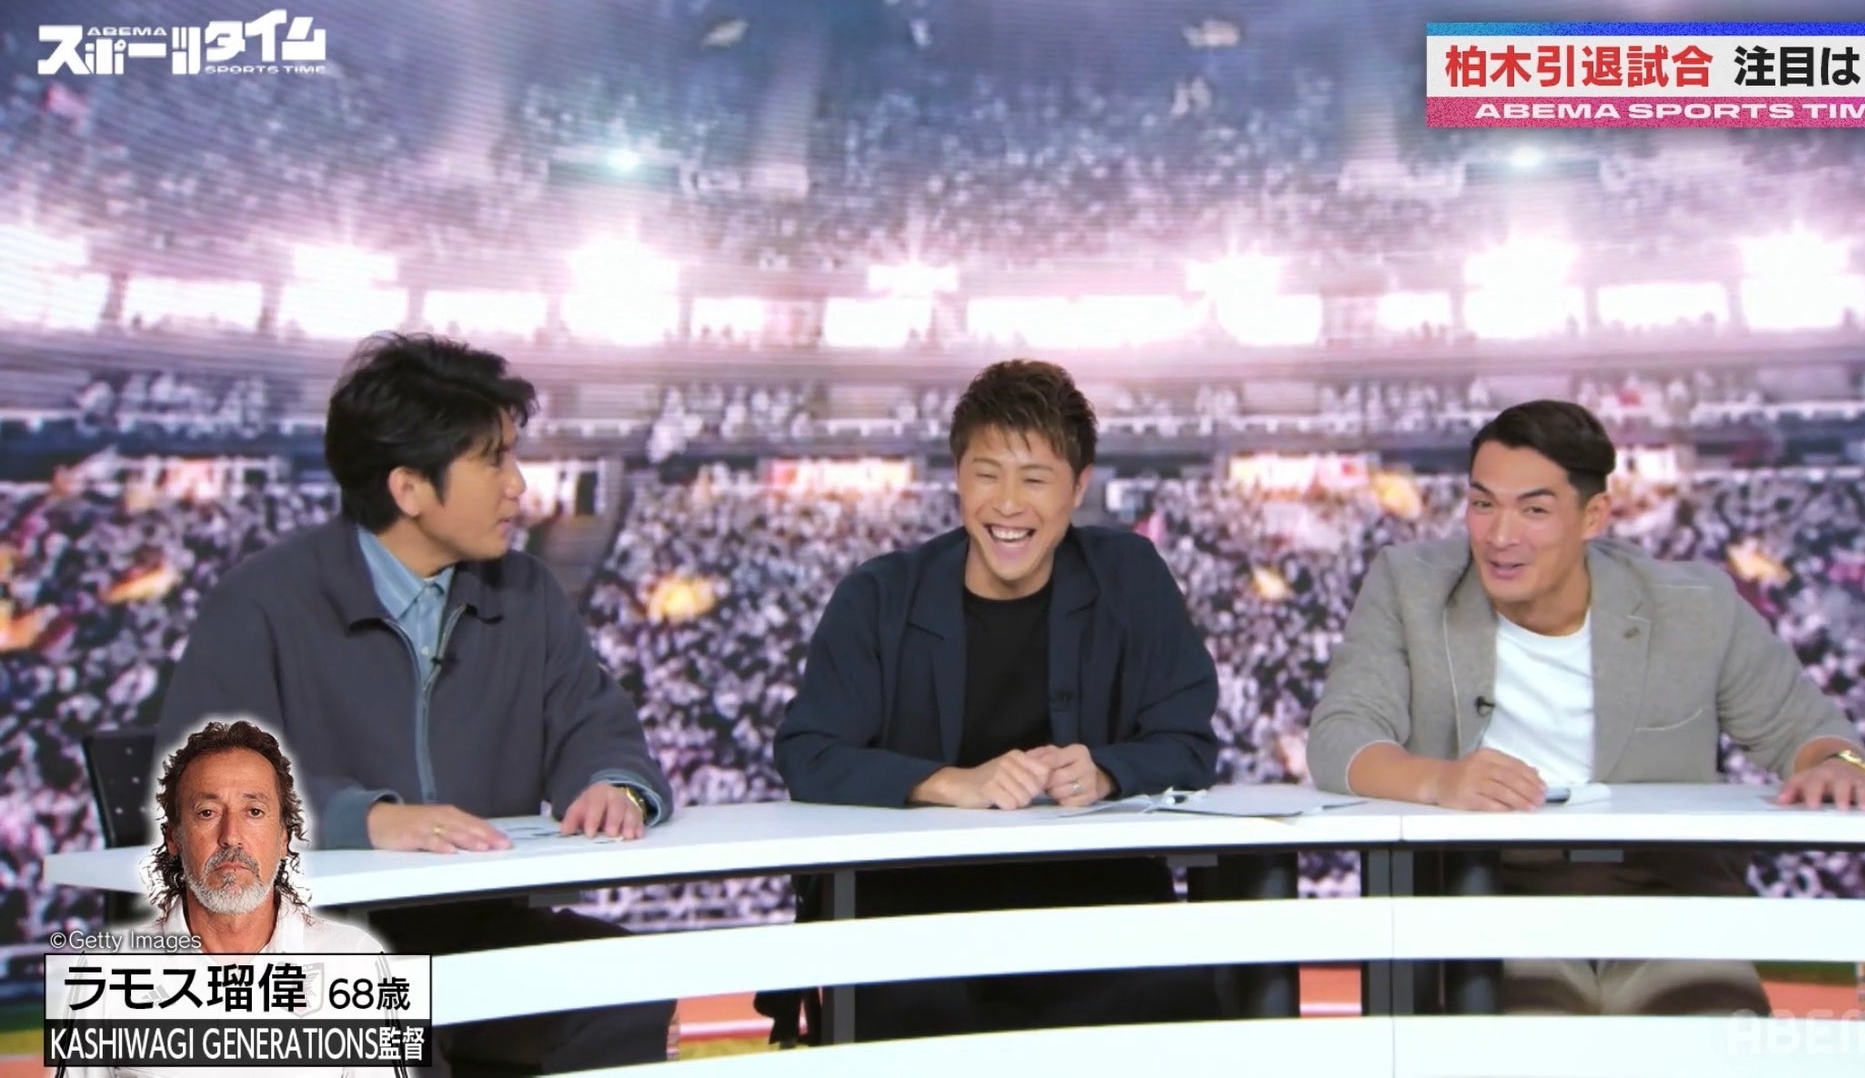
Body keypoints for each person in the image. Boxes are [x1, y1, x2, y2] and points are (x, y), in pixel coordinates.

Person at [158, 332, 676, 1073]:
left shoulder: (527, 593)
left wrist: (612, 781)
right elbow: (199, 787)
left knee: (620, 984)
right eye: (493, 460)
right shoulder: (262, 602)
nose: (518, 486)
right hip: (300, 942)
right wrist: (362, 820)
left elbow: (593, 721)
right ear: (408, 489)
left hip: (478, 925)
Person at [1307, 399, 1865, 1016]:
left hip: (1665, 901)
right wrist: (1439, 781)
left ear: (1593, 516)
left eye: (1534, 510)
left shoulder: (1694, 606)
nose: (1500, 536)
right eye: (1483, 504)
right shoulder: (1409, 585)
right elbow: (1341, 735)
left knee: (1714, 1034)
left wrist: (1839, 764)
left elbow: (1815, 733)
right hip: (1489, 897)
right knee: (1532, 1030)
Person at [774, 359, 1224, 1040]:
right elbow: (809, 752)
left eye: (1035, 479)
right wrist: (949, 783)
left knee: (1175, 1003)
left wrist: (1106, 771)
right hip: (913, 913)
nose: (1008, 504)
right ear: (957, 478)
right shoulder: (878, 595)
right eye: (987, 474)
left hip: (1096, 902)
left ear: (1078, 487)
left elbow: (1188, 741)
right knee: (919, 1017)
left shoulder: (1130, 577)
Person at [56, 719, 394, 1077]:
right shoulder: (106, 969)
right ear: (174, 838)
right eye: (207, 813)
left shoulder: (353, 960)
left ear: (283, 838)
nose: (231, 836)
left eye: (254, 812)